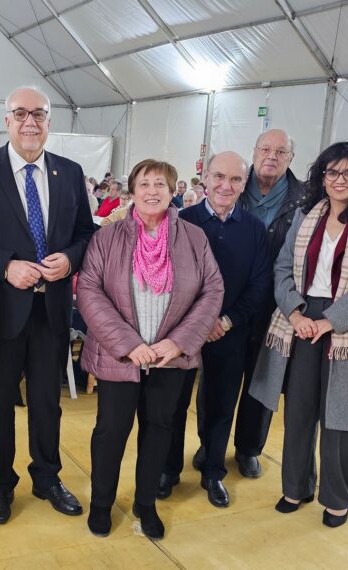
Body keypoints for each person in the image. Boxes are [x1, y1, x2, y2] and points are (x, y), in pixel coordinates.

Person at [0, 86, 95, 525]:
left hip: (50, 310)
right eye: (21, 114)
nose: (30, 121)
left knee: (46, 400)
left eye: (39, 114)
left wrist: (70, 258)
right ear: (7, 120)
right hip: (1, 310)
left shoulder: (69, 173)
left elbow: (86, 234)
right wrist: (5, 266)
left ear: (50, 121)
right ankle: (0, 483)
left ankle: (47, 477)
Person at [249, 142, 348, 528]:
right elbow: (282, 269)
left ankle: (337, 497)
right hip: (301, 320)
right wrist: (296, 312)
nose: (339, 179)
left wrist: (329, 321)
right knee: (299, 411)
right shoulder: (305, 215)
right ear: (321, 176)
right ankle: (296, 487)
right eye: (332, 172)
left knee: (340, 418)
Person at [77, 159, 223, 539]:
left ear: (174, 190)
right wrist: (128, 344)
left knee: (160, 428)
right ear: (133, 191)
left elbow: (212, 291)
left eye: (161, 183)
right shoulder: (107, 237)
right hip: (119, 355)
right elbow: (89, 291)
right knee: (110, 431)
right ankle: (102, 503)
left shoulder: (193, 237)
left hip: (169, 358)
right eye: (145, 184)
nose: (152, 191)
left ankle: (145, 504)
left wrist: (178, 342)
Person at [190, 129, 304, 479]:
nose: (272, 156)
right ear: (254, 152)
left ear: (290, 158)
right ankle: (210, 444)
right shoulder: (233, 183)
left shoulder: (304, 198)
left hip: (273, 304)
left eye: (281, 151)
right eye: (265, 148)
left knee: (262, 379)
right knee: (216, 382)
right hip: (225, 301)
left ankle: (249, 448)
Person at [163, 152, 270, 508]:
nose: (226, 186)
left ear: (244, 185)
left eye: (236, 180)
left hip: (230, 331)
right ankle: (168, 470)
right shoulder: (181, 221)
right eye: (219, 177)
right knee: (174, 403)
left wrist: (225, 321)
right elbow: (169, 278)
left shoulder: (254, 229)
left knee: (222, 404)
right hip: (183, 332)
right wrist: (199, 322)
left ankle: (212, 471)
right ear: (204, 179)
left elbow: (260, 284)